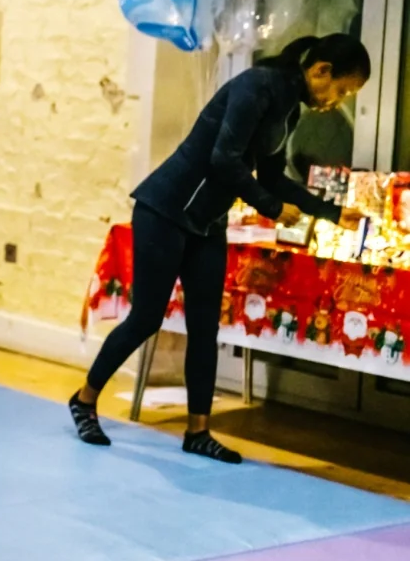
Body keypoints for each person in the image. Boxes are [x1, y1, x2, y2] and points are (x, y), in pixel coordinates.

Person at [69, 34, 371, 461]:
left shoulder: (288, 109)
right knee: (146, 318)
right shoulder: (257, 85)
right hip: (166, 209)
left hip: (207, 222)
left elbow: (272, 178)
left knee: (205, 327)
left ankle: (198, 431)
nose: (336, 102)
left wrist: (331, 212)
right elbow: (223, 159)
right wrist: (270, 207)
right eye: (341, 90)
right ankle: (84, 400)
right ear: (321, 70)